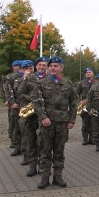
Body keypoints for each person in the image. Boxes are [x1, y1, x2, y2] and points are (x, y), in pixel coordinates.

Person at [32, 56, 78, 189]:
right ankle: (44, 178)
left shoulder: (68, 84)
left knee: (59, 151)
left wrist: (72, 120)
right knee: (45, 151)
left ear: (61, 68)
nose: (52, 68)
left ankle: (58, 177)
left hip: (62, 122)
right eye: (50, 66)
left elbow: (74, 102)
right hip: (47, 122)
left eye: (56, 66)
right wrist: (43, 117)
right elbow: (36, 102)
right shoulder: (41, 83)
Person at [17, 57, 48, 176]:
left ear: (47, 67)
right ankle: (32, 165)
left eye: (44, 65)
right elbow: (20, 92)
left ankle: (42, 165)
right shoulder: (29, 78)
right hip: (30, 113)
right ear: (36, 66)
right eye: (39, 65)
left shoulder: (50, 79)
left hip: (44, 115)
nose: (41, 67)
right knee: (30, 140)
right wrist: (32, 100)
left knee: (43, 141)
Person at [5, 59, 25, 156]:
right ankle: (16, 146)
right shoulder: (11, 77)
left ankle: (25, 148)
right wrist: (11, 102)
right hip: (16, 105)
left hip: (26, 105)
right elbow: (7, 90)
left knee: (26, 127)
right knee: (16, 126)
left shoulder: (32, 77)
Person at [1, 60, 22, 148]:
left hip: (20, 102)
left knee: (19, 123)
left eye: (19, 66)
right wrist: (5, 100)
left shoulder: (23, 76)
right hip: (12, 102)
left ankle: (19, 141)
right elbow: (4, 89)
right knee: (12, 122)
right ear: (13, 67)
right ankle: (13, 140)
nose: (18, 67)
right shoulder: (9, 77)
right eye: (17, 66)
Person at [76, 67, 96, 145]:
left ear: (93, 73)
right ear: (85, 74)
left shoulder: (96, 83)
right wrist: (79, 101)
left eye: (90, 72)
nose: (88, 73)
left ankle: (92, 139)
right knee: (85, 122)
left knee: (93, 122)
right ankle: (85, 139)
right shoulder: (81, 83)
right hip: (84, 105)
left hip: (94, 105)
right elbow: (75, 93)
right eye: (86, 72)